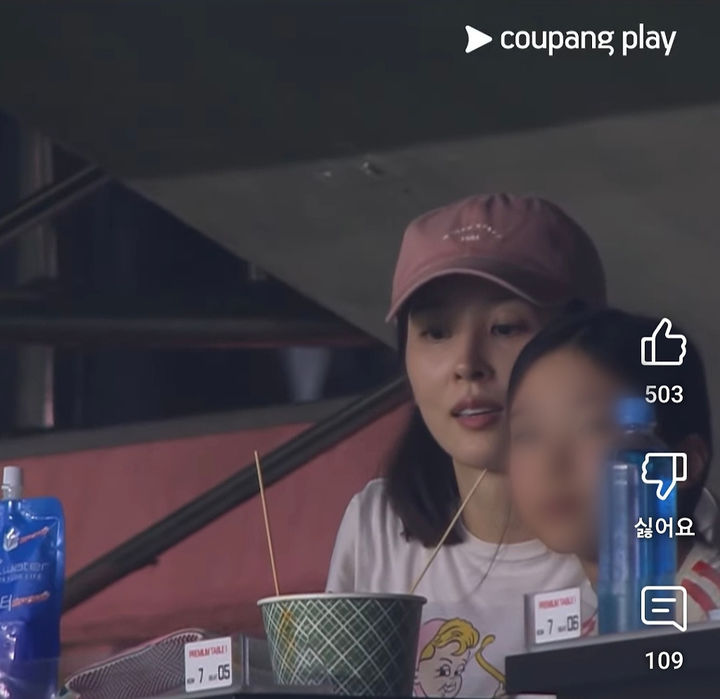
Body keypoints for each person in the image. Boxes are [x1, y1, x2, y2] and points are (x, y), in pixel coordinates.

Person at [326, 192, 607, 697]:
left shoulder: (659, 534)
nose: (467, 363)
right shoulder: (377, 527)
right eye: (436, 332)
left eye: (505, 327)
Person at [507, 308, 720, 634]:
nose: (551, 463)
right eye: (528, 434)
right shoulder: (587, 631)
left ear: (683, 462)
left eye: (593, 427)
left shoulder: (707, 617)